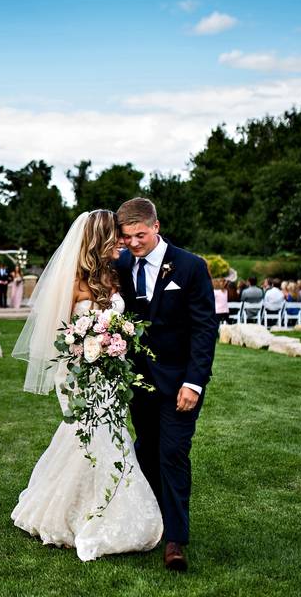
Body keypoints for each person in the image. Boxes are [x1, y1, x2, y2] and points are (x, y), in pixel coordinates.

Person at [11, 209, 163, 562]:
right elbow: (57, 334)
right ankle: (73, 513)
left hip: (110, 374)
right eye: (118, 237)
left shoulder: (115, 276)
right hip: (80, 375)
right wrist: (83, 346)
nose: (124, 243)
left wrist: (117, 343)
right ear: (100, 239)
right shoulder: (75, 282)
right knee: (86, 435)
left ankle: (111, 509)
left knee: (111, 435)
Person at [114, 198, 216, 571]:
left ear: (156, 227)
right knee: (147, 451)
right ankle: (151, 522)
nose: (134, 243)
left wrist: (194, 382)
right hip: (139, 384)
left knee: (173, 454)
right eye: (127, 237)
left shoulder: (189, 266)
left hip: (180, 384)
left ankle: (175, 539)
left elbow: (205, 328)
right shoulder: (122, 264)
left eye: (140, 234)